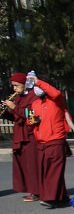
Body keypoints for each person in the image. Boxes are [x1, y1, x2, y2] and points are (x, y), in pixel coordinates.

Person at [28, 72, 70, 209]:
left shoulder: (56, 100)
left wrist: (39, 82)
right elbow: (31, 119)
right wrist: (33, 121)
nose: (36, 88)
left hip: (55, 140)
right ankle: (61, 197)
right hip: (41, 142)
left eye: (37, 85)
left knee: (53, 170)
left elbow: (56, 93)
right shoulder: (35, 103)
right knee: (47, 170)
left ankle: (50, 198)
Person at [2, 72, 39, 202]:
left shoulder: (33, 96)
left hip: (30, 136)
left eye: (17, 86)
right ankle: (30, 189)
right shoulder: (18, 98)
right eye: (13, 86)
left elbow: (30, 115)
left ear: (25, 84)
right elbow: (16, 118)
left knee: (32, 165)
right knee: (23, 165)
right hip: (19, 134)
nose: (14, 89)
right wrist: (5, 113)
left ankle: (36, 191)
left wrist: (14, 107)